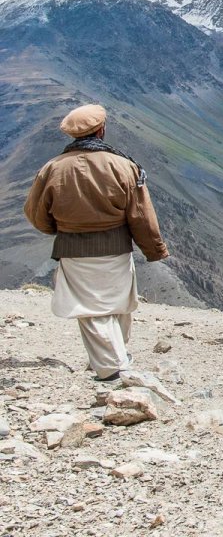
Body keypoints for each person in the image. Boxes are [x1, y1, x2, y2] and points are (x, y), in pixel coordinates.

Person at [23, 104, 169, 381]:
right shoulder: (124, 166)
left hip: (73, 249)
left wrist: (59, 229)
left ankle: (111, 364)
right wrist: (154, 249)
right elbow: (140, 214)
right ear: (101, 130)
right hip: (116, 248)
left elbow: (36, 213)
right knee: (117, 304)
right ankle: (114, 362)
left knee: (90, 307)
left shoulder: (52, 168)